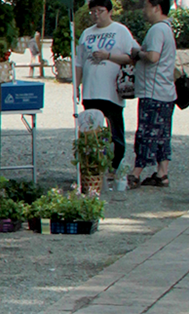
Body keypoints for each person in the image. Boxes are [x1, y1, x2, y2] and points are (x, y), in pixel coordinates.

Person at [76, 0, 139, 178]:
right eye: (93, 11)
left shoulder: (120, 31)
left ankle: (114, 166)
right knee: (92, 131)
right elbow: (79, 62)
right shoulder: (87, 34)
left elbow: (131, 56)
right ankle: (93, 165)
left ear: (109, 11)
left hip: (111, 91)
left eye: (100, 11)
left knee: (114, 130)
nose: (96, 14)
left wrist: (108, 56)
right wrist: (77, 87)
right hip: (90, 89)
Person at [128, 0, 177, 188]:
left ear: (156, 7)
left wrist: (138, 53)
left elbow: (153, 56)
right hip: (166, 92)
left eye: (147, 6)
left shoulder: (157, 29)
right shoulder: (168, 29)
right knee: (163, 134)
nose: (144, 10)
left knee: (146, 133)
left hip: (153, 91)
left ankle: (135, 174)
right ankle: (162, 173)